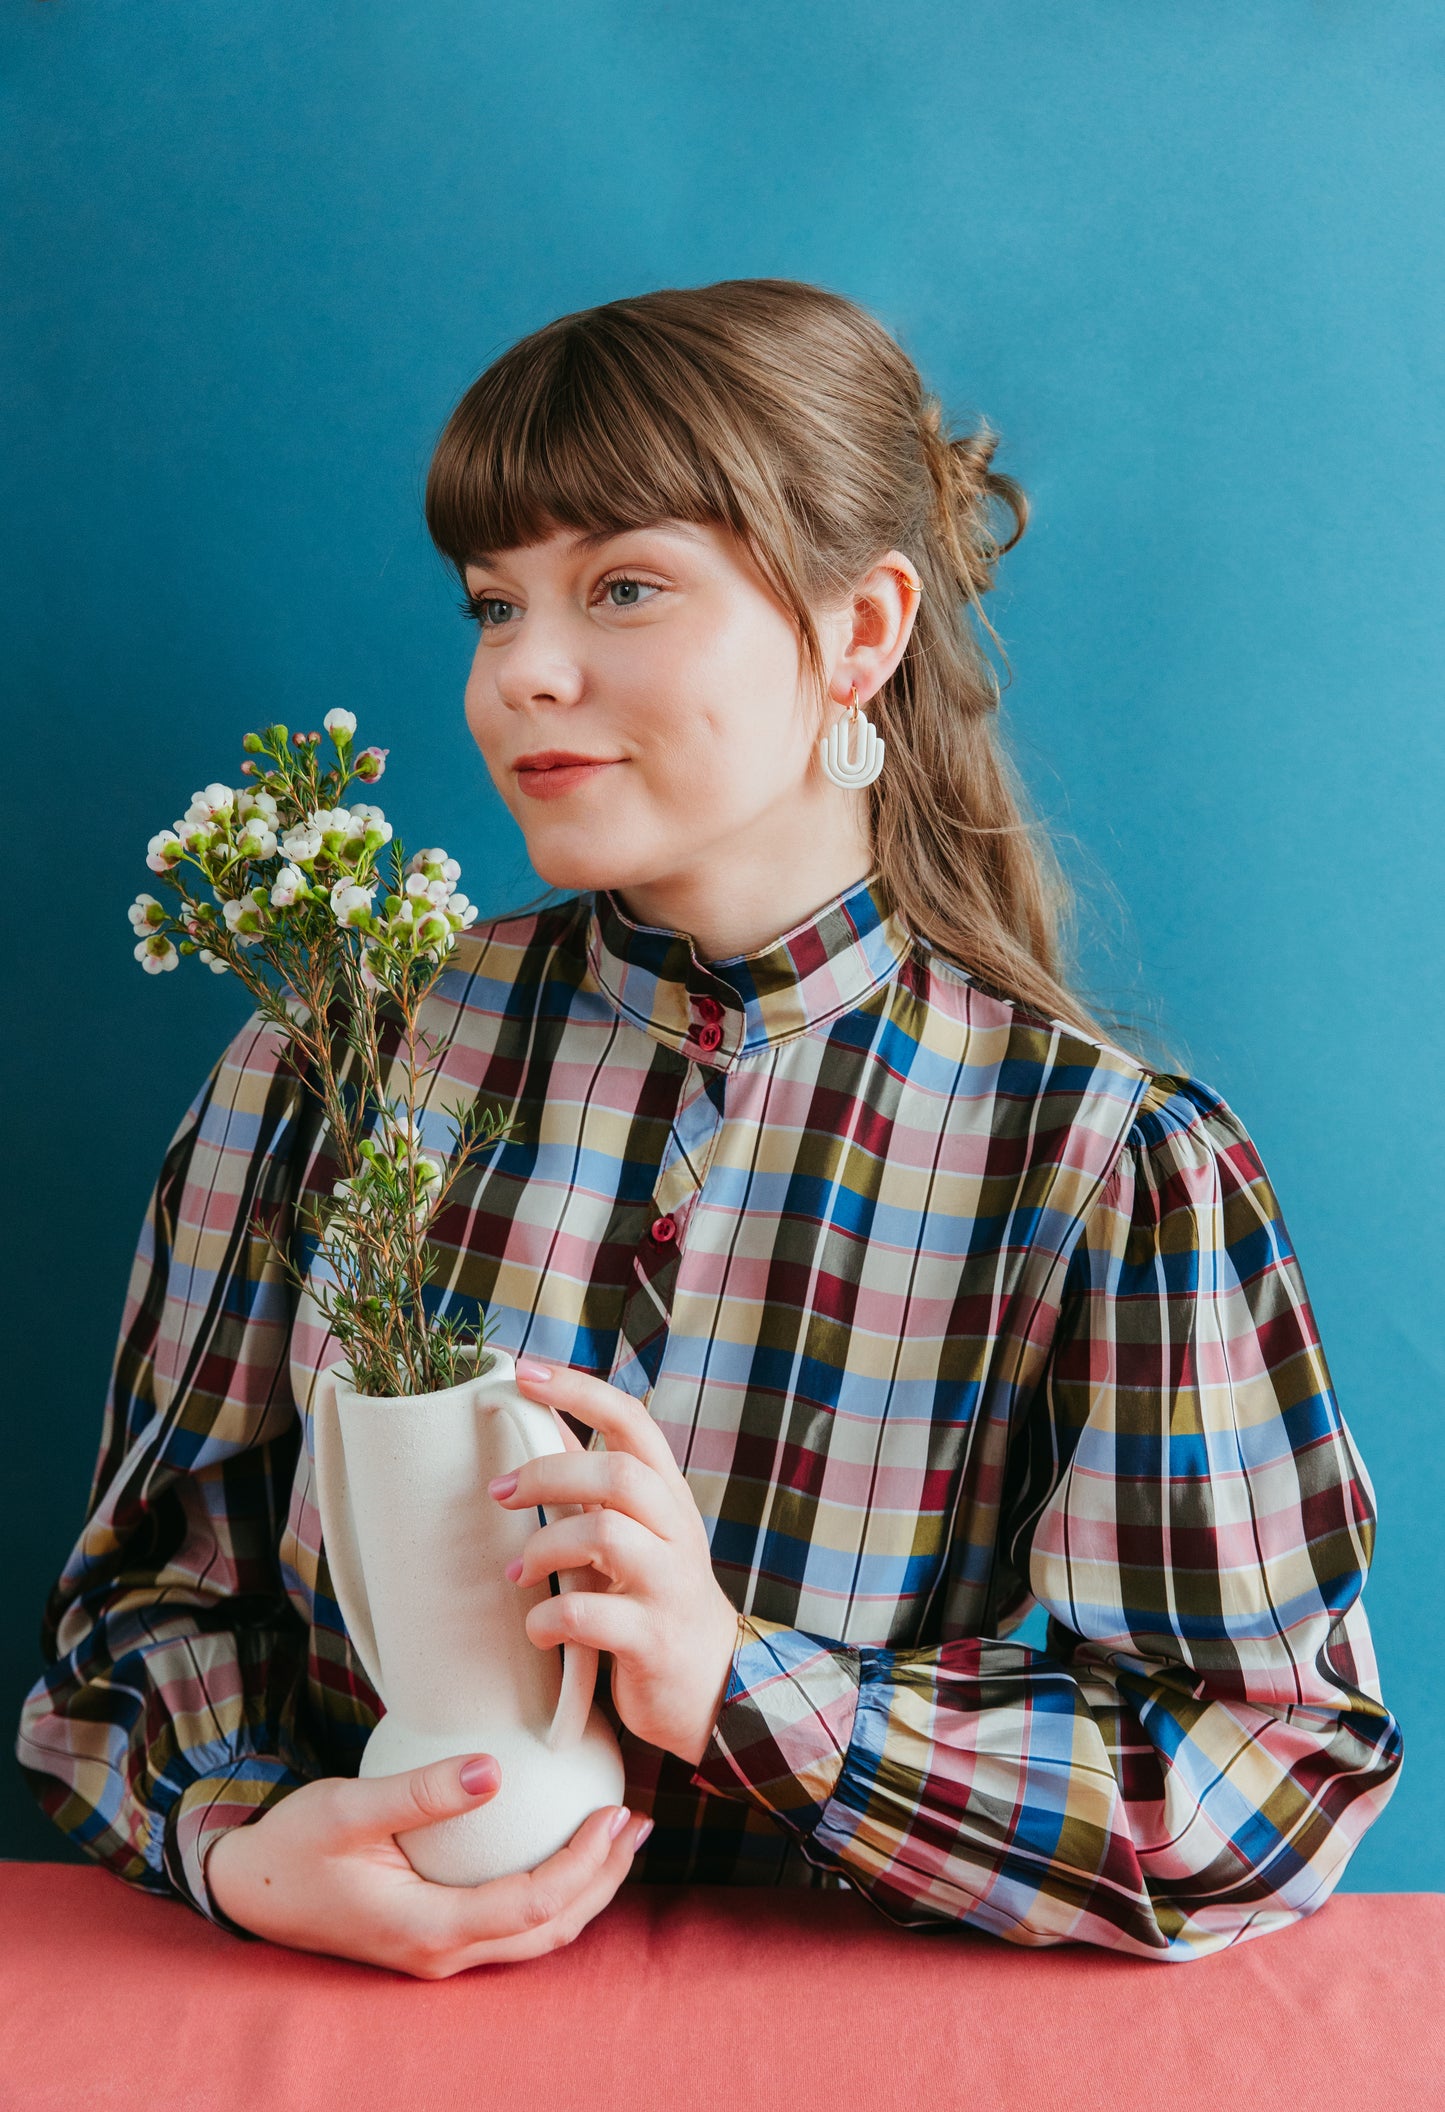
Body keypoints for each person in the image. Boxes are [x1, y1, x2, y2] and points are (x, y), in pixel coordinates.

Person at [17, 278, 1402, 1976]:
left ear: (861, 632)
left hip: (837, 2069)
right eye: (488, 603)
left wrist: (742, 1691)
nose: (523, 671)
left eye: (621, 587)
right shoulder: (335, 1059)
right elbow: (135, 1614)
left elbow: (1266, 1773)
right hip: (356, 2053)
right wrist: (243, 1846)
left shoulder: (1101, 1167)